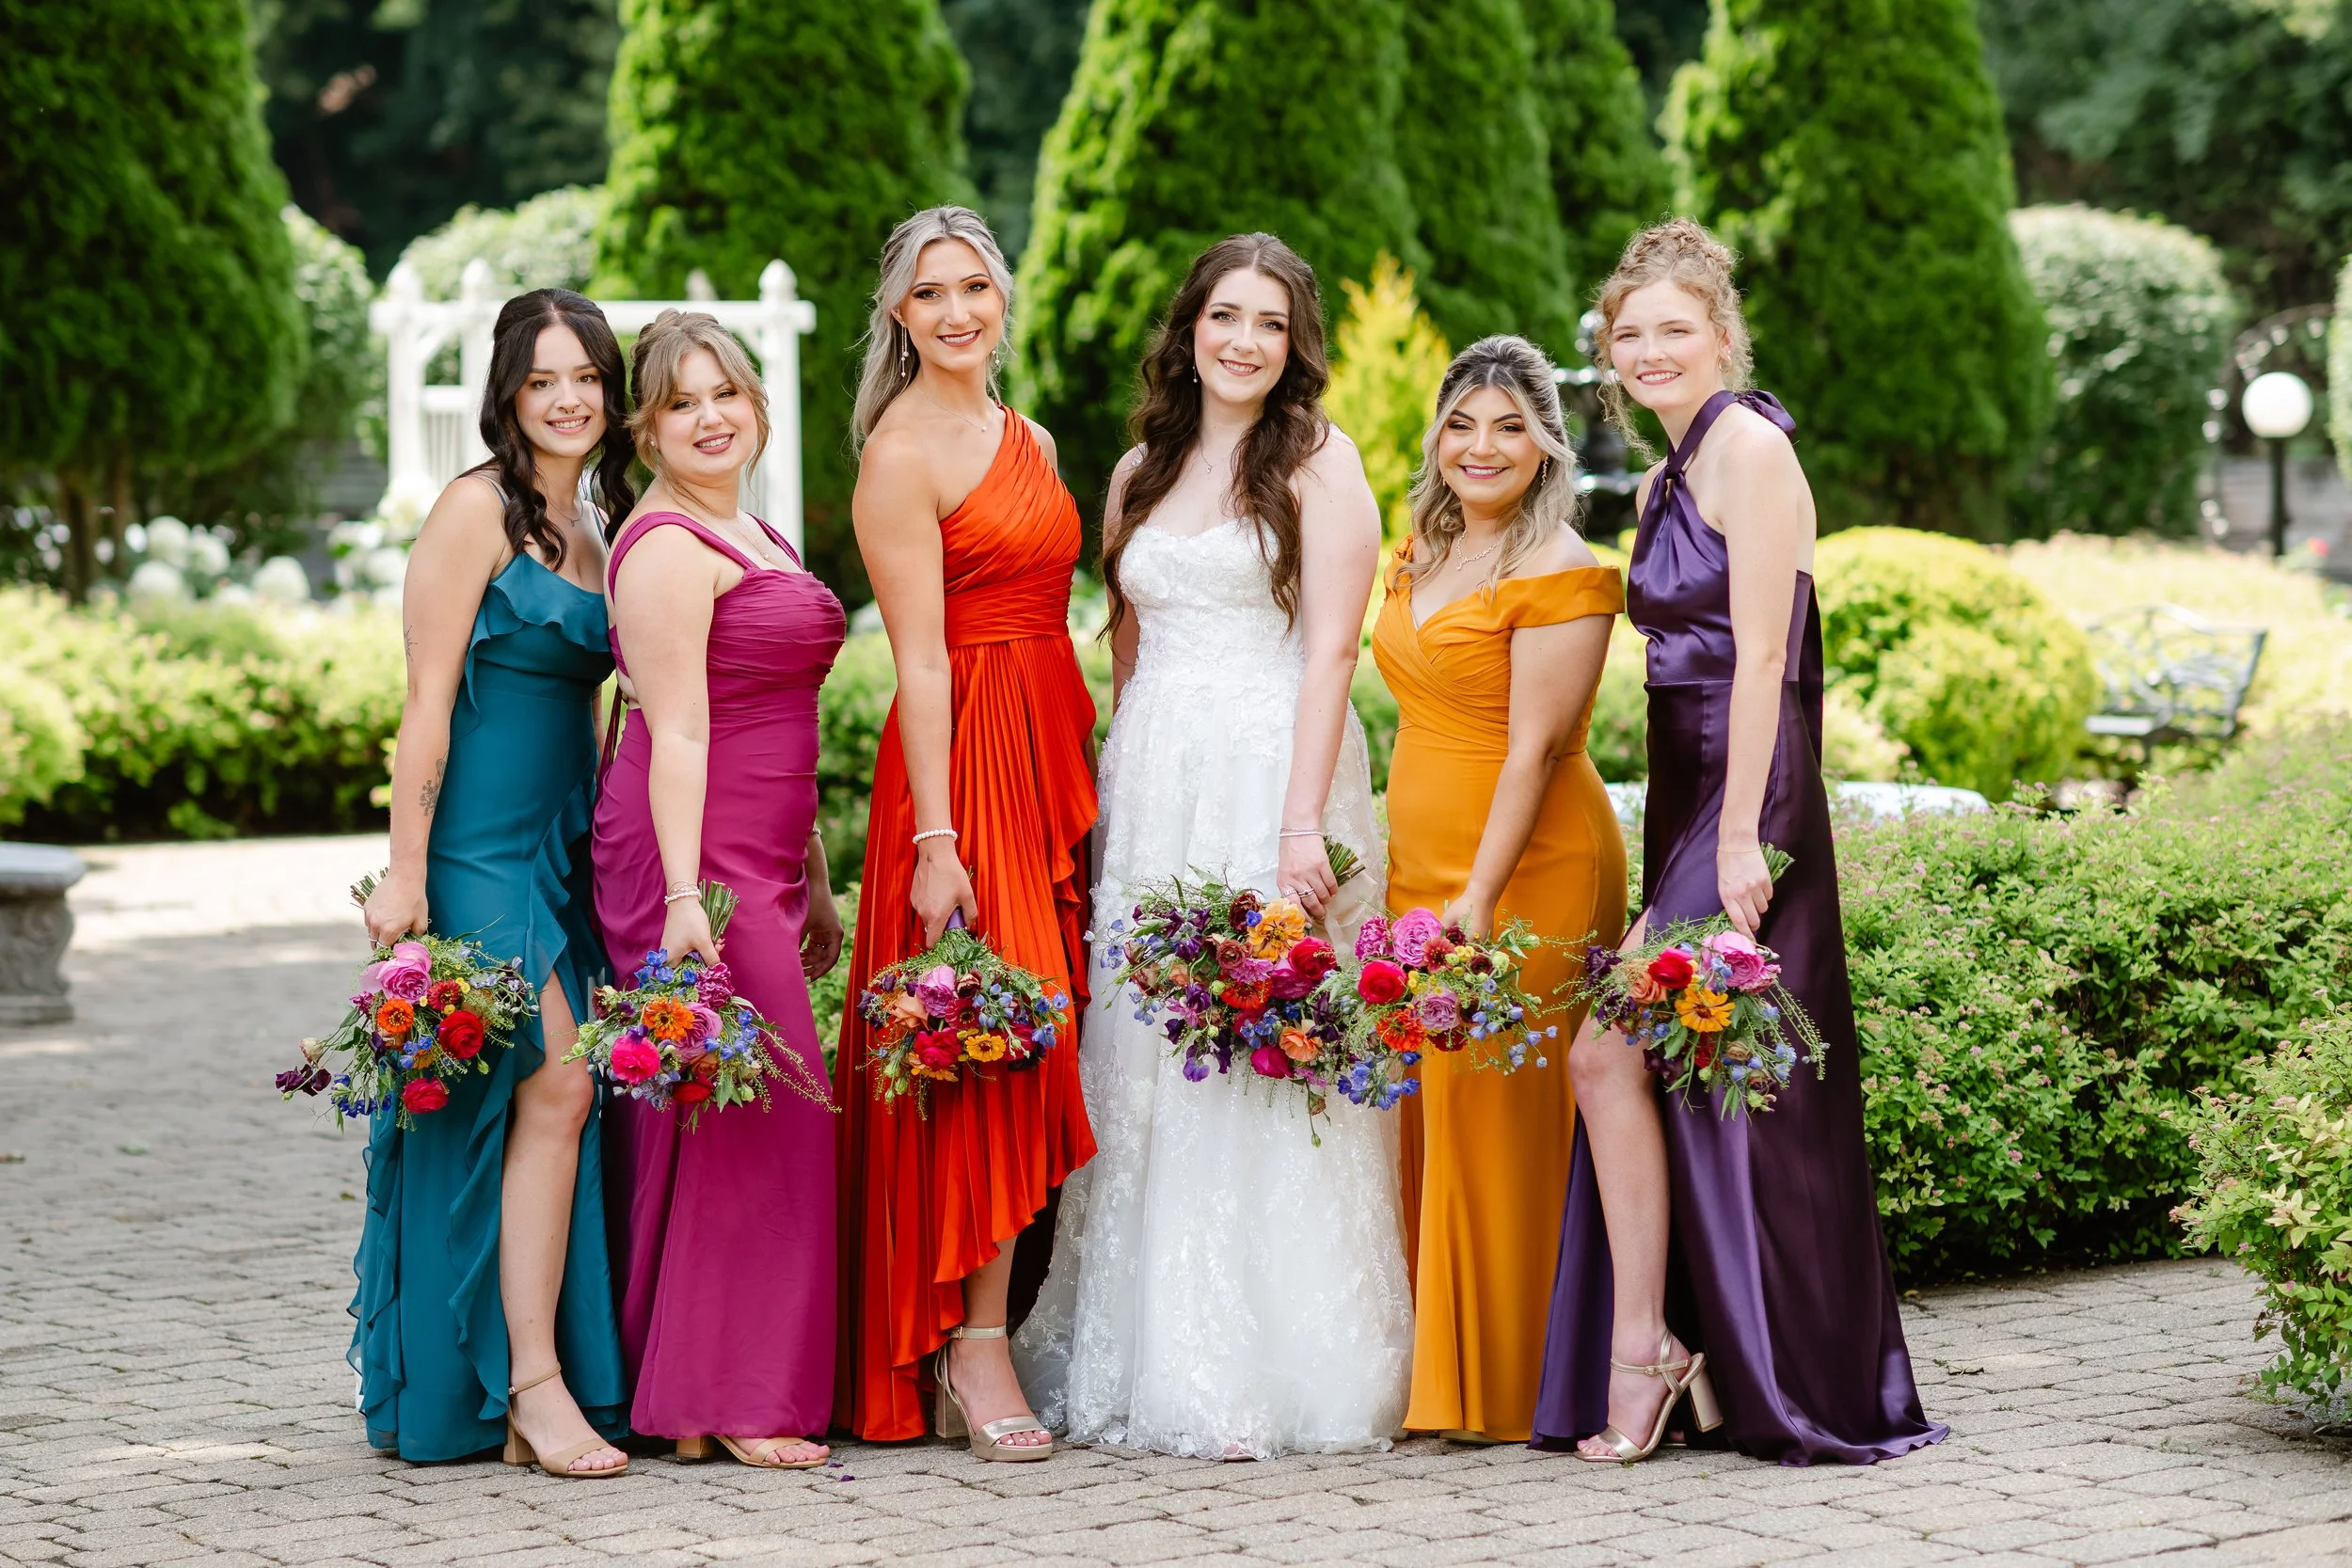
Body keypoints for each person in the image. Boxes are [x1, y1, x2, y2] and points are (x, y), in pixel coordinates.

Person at [1530, 220, 1947, 1465]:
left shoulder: (1751, 447)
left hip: (1745, 801)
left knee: (1613, 1054)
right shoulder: (1660, 478)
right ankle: (1680, 1347)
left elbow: (1766, 655)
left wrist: (1739, 842)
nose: (1650, 349)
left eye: (1674, 328)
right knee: (1693, 1074)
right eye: (1630, 332)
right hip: (1683, 793)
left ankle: (1674, 1354)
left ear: (1722, 335)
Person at [1010, 232, 1411, 1461]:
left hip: (1267, 776)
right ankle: (1140, 1342)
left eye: (1270, 322)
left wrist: (1301, 824)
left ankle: (1277, 1360)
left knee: (1255, 1048)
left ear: (1295, 347)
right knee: (1142, 1060)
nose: (1243, 339)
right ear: (1189, 326)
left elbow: (1334, 650)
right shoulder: (1141, 466)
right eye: (1224, 314)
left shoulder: (1321, 462)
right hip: (1158, 777)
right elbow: (1128, 641)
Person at [834, 206, 1097, 1460]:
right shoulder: (899, 453)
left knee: (1047, 1024)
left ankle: (996, 1318)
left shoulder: (1029, 435)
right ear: (898, 313)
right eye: (929, 292)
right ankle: (969, 1341)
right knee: (1001, 1039)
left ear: (1004, 298)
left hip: (1048, 744)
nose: (955, 311)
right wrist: (939, 834)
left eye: (974, 287)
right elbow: (920, 658)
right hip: (963, 762)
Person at [355, 289, 632, 1477]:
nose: (569, 398)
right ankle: (530, 1382)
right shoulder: (472, 511)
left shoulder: (603, 519)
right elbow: (424, 708)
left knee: (541, 1101)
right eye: (543, 380)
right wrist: (405, 869)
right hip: (473, 850)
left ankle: (515, 1380)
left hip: (563, 847)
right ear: (507, 395)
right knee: (557, 1083)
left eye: (588, 377)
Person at [592, 309, 846, 1469]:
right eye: (681, 402)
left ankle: (701, 1388)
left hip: (766, 854)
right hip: (689, 855)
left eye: (725, 395)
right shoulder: (660, 548)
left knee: (740, 1109)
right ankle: (726, 1387)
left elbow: (786, 721)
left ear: (755, 403)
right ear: (645, 428)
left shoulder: (755, 529)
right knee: (754, 1109)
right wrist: (689, 899)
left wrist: (818, 876)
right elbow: (680, 728)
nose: (709, 418)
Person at [1373, 336, 1625, 1445]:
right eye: (1463, 422)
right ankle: (1445, 1366)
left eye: (1509, 425)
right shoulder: (1416, 550)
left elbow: (1531, 753)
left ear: (1546, 444)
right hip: (1418, 860)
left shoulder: (1560, 568)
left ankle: (1522, 1374)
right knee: (1434, 1102)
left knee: (1501, 1107)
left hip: (1527, 869)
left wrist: (1474, 898)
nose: (1482, 446)